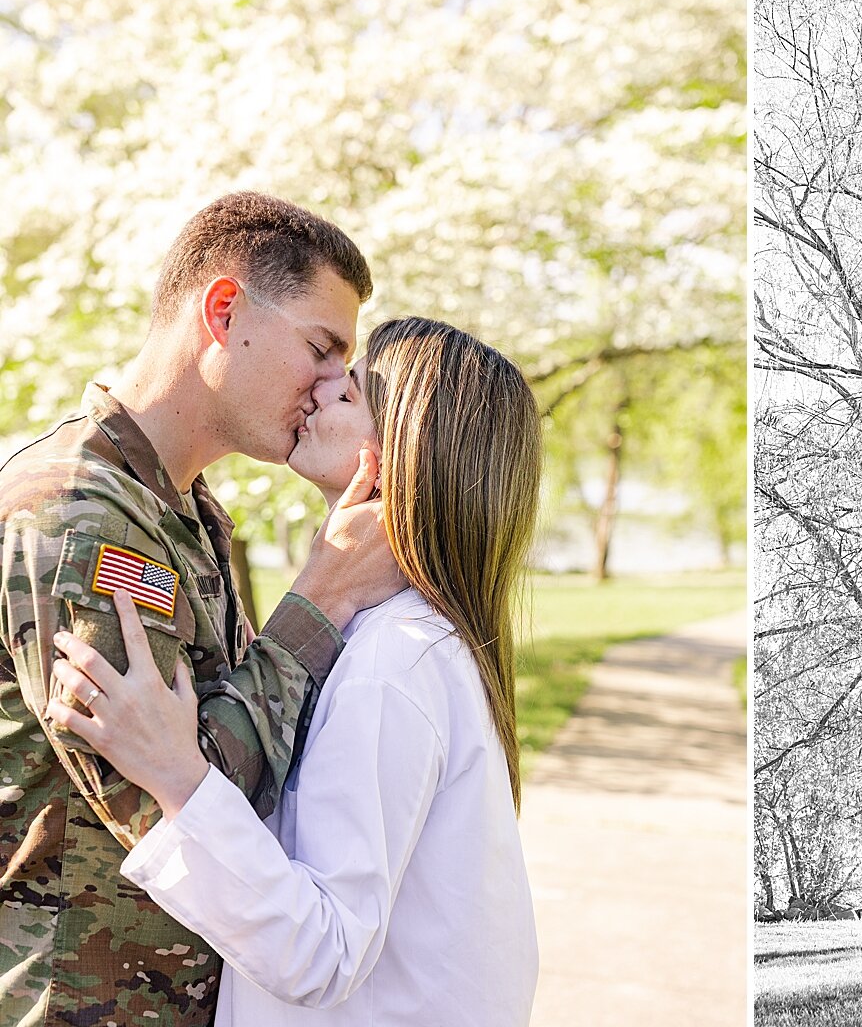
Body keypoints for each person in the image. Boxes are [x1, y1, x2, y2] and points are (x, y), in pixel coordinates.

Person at [48, 317, 542, 1026]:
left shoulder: (394, 661)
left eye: (352, 393)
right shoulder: (388, 639)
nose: (318, 389)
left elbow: (324, 952)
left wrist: (176, 776)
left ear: (405, 455)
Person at [0, 192, 406, 1025]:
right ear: (224, 310)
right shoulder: (78, 515)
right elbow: (182, 808)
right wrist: (322, 596)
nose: (335, 387)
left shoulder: (183, 508)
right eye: (322, 349)